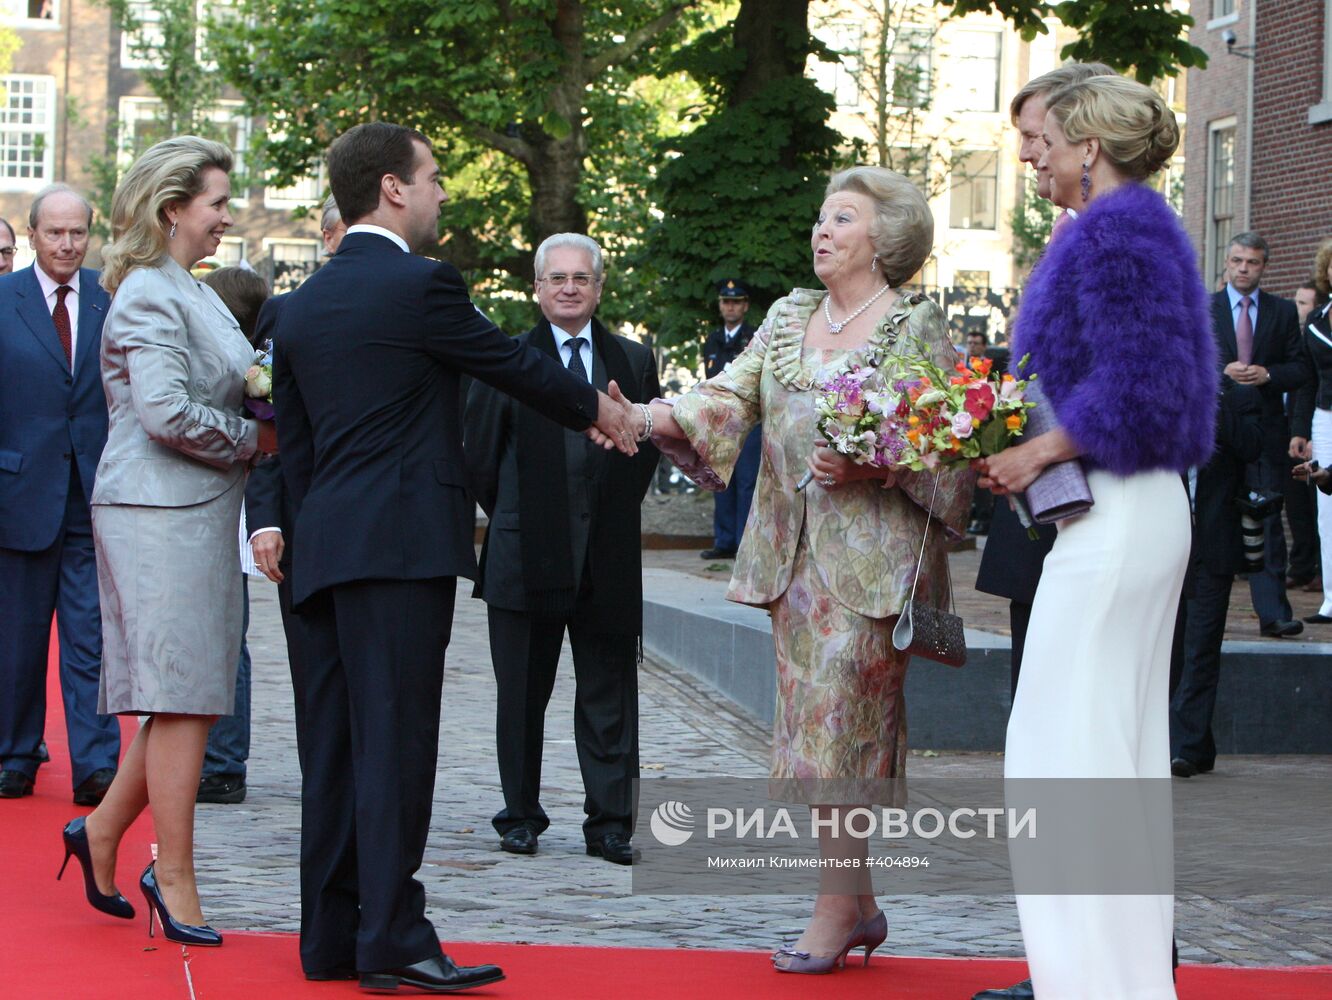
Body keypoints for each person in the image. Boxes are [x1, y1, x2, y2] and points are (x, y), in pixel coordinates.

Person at [271, 122, 637, 992]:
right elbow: (514, 365)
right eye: (432, 178)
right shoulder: (424, 284)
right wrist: (606, 412)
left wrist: (301, 533)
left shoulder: (302, 304)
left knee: (331, 747)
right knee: (396, 745)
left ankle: (328, 936)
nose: (441, 193)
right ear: (393, 189)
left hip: (323, 550)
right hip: (399, 550)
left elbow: (297, 448)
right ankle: (393, 937)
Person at [641, 165, 970, 974]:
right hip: (794, 564)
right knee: (813, 729)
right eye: (822, 217)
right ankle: (857, 904)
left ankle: (833, 906)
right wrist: (639, 415)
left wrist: (876, 467)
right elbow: (724, 398)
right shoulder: (789, 318)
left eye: (843, 218)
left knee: (839, 730)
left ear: (885, 239)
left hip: (875, 567)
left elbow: (954, 445)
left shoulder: (913, 325)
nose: (823, 230)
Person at [977, 75, 1217, 999]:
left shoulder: (1119, 229)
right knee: (1103, 759)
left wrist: (1036, 450)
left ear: (1092, 147)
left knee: (1064, 761)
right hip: (1130, 513)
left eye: (1047, 140)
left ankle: (1095, 982)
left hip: (1117, 517)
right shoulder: (1128, 227)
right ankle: (1110, 978)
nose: (1033, 153)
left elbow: (1144, 385)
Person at [61, 136, 276, 945]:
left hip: (191, 509)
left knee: (188, 693)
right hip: (156, 512)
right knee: (184, 698)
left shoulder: (189, 290)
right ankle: (173, 873)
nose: (227, 216)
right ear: (172, 208)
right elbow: (165, 414)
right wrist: (257, 440)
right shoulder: (150, 293)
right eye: (217, 202)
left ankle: (103, 832)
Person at [464, 233, 660, 865]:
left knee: (609, 694)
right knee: (521, 695)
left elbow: (645, 451)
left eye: (581, 278)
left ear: (599, 288)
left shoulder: (631, 360)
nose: (569, 288)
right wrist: (525, 517)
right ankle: (519, 815)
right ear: (538, 288)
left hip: (606, 555)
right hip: (525, 554)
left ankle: (609, 824)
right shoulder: (506, 359)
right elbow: (481, 461)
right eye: (557, 278)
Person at [0, 186, 121, 804]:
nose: (68, 245)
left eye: (77, 233)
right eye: (55, 234)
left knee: (89, 636)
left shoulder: (113, 297)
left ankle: (96, 763)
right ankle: (14, 754)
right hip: (18, 492)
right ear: (32, 235)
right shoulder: (3, 300)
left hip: (93, 494)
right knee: (17, 637)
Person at [246, 195, 345, 773]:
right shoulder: (286, 312)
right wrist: (266, 516)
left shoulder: (421, 298)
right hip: (304, 522)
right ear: (327, 238)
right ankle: (324, 784)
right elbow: (268, 422)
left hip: (384, 521)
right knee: (312, 664)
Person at [194, 265, 271, 804]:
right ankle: (222, 758)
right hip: (244, 504)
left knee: (219, 635)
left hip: (223, 504)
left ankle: (220, 759)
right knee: (229, 636)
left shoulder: (231, 367)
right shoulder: (260, 366)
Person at [1211, 233, 1307, 638]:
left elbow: (1301, 369)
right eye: (1236, 261)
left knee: (1266, 518)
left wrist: (1268, 375)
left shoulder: (1282, 312)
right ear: (1227, 264)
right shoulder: (1205, 308)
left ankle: (1272, 613)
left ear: (1263, 265)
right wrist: (1222, 375)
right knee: (1212, 515)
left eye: (1251, 262)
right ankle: (1198, 605)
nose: (1243, 268)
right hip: (1216, 430)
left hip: (1266, 431)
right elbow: (1185, 363)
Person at [1169, 381, 1264, 778]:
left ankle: (1186, 748)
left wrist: (1214, 403)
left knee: (1201, 646)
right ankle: (1193, 742)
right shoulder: (1161, 393)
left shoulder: (1234, 397)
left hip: (1214, 542)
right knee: (1170, 646)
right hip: (1165, 542)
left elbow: (1252, 447)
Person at [700, 280, 759, 560]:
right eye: (726, 302)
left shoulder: (754, 338)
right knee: (720, 479)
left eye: (736, 302)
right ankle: (724, 540)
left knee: (746, 481)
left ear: (745, 306)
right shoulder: (712, 340)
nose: (730, 306)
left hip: (747, 421)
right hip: (719, 421)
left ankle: (742, 542)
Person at [1291, 242, 1332, 624]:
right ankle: (1331, 599)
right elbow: (1306, 379)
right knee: (1326, 509)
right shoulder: (1318, 318)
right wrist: (1300, 430)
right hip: (1324, 416)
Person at [1283, 281, 1325, 594]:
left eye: (1303, 303)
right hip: (1312, 421)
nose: (1299, 310)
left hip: (1322, 422)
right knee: (1308, 505)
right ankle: (1313, 575)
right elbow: (1305, 384)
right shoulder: (1311, 328)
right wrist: (1300, 429)